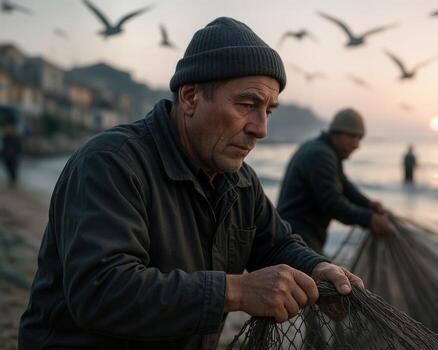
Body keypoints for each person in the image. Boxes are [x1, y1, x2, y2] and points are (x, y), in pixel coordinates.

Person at [18, 17, 363, 349]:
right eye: (247, 104)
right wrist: (236, 291)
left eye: (269, 110)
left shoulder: (240, 180)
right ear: (190, 97)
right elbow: (100, 292)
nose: (261, 128)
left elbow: (275, 244)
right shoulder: (110, 163)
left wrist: (316, 267)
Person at [277, 108, 394, 256]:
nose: (357, 144)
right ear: (336, 133)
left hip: (299, 236)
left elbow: (345, 186)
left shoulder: (325, 150)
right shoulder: (321, 155)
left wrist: (368, 204)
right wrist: (369, 219)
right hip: (295, 239)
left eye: (359, 138)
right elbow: (333, 204)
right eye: (352, 136)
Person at [1, 120, 22, 187]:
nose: (7, 130)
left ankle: (13, 182)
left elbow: (18, 147)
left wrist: (14, 152)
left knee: (13, 170)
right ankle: (11, 182)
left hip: (13, 157)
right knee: (8, 169)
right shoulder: (5, 138)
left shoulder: (15, 138)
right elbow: (3, 147)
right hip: (6, 157)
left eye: (8, 128)